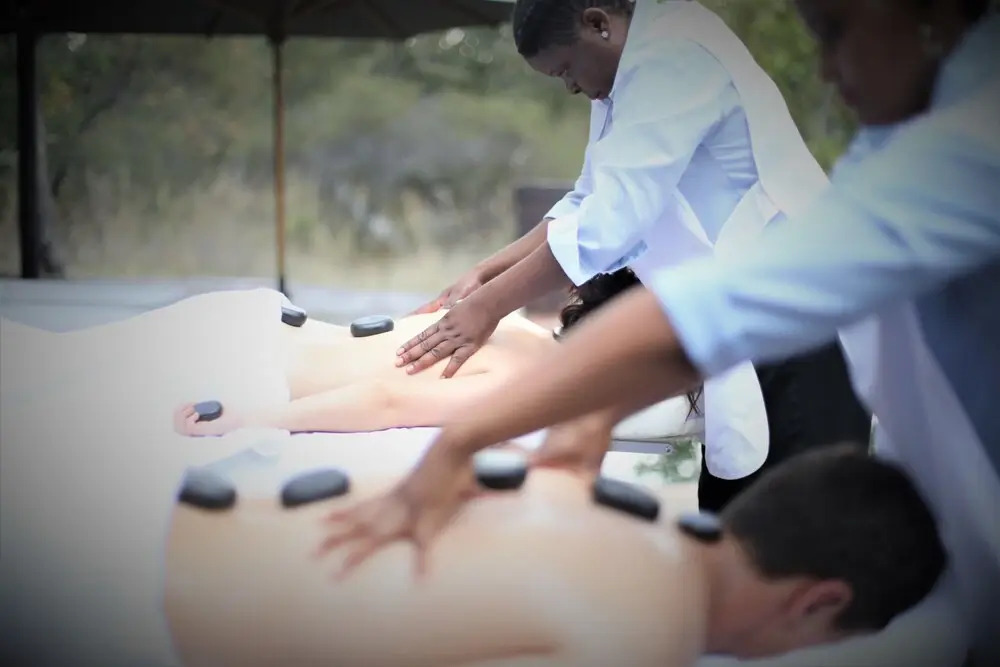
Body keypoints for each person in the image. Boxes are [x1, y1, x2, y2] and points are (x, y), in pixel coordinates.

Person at [312, 0, 1000, 663]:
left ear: (933, 12)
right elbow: (590, 202)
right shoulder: (898, 139)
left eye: (835, 29)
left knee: (775, 576)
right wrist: (489, 278)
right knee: (743, 561)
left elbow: (637, 254)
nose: (824, 68)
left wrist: (468, 423)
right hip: (775, 357)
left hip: (795, 350)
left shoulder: (959, 147)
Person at [392, 0, 872, 511]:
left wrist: (487, 308)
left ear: (598, 23)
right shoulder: (624, 68)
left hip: (800, 328)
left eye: (566, 69)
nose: (570, 87)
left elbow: (608, 225)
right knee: (736, 521)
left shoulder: (673, 58)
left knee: (795, 528)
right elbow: (587, 198)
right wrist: (486, 272)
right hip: (740, 319)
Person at [166, 448, 946, 667]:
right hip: (151, 607)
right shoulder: (654, 621)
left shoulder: (628, 520)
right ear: (818, 601)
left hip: (169, 526)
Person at [168, 282, 700, 439]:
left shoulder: (509, 322)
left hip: (250, 322)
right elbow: (386, 400)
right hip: (243, 366)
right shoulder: (527, 378)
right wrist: (250, 420)